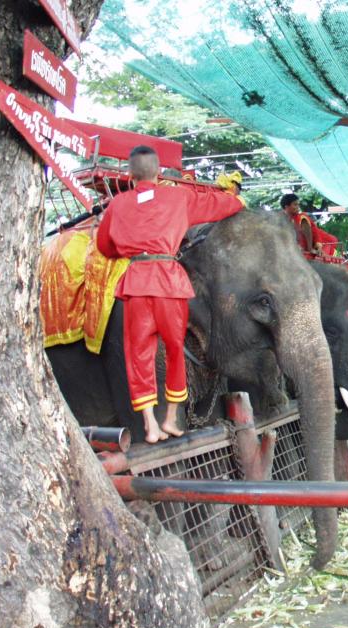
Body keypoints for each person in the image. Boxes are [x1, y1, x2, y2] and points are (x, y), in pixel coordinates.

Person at [96, 146, 245, 444]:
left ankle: (150, 424)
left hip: (136, 282)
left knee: (138, 355)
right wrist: (235, 197)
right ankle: (170, 418)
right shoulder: (178, 196)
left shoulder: (117, 205)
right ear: (159, 172)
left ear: (130, 175)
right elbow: (224, 205)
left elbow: (105, 247)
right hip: (169, 282)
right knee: (175, 349)